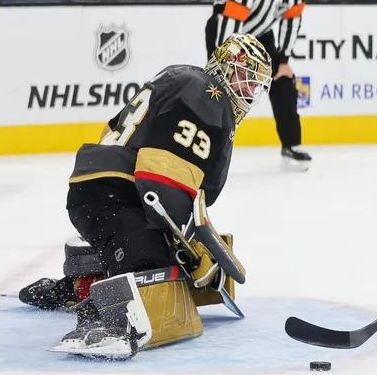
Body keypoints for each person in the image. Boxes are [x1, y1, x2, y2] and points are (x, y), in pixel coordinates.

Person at [18, 33, 272, 359]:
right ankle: (102, 322)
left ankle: (76, 287)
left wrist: (189, 243)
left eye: (257, 86)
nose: (250, 92)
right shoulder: (208, 95)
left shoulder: (189, 80)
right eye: (248, 79)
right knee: (159, 271)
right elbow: (161, 182)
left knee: (169, 262)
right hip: (118, 195)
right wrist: (193, 245)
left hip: (107, 190)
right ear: (227, 64)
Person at [205, 0, 312, 171]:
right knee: (219, 90)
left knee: (284, 83)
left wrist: (283, 60)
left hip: (259, 36)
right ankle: (209, 149)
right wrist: (226, 58)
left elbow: (291, 22)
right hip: (225, 35)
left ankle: (291, 145)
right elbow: (229, 21)